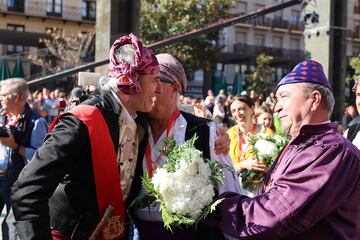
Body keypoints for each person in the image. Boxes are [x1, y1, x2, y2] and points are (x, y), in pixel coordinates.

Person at [11, 33, 161, 240]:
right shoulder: (81, 122)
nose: (159, 89)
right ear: (129, 80)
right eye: (155, 80)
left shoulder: (141, 121)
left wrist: (213, 131)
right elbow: (27, 190)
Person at [217, 60, 360, 239]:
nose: (276, 107)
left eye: (284, 97)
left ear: (314, 100)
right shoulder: (304, 144)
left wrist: (212, 206)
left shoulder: (333, 152)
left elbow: (274, 214)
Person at [132, 53, 241, 240]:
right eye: (144, 81)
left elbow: (229, 193)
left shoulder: (206, 131)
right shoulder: (133, 127)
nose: (148, 88)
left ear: (175, 88)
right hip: (137, 233)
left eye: (156, 81)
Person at [0, 78, 48, 240]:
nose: (0, 98)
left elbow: (40, 158)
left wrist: (15, 146)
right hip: (1, 178)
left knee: (11, 230)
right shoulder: (2, 117)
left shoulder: (36, 122)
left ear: (17, 97)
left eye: (3, 95)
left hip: (18, 185)